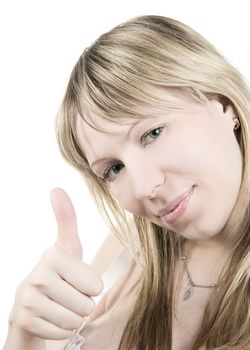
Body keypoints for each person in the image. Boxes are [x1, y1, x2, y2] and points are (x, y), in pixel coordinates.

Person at [3, 15, 250, 350]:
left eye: (152, 133)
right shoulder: (128, 249)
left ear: (222, 104)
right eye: (114, 169)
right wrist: (24, 337)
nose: (142, 187)